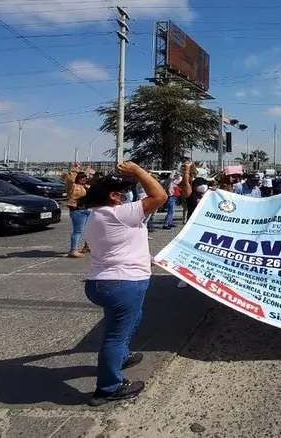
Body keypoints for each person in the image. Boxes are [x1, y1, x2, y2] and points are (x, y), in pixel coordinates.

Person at [80, 162, 167, 406]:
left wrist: (144, 257)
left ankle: (122, 356)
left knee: (131, 319)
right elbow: (160, 195)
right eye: (121, 192)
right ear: (113, 197)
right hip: (123, 284)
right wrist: (139, 171)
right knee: (115, 337)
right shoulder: (118, 213)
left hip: (103, 283)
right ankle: (109, 387)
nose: (126, 195)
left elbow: (116, 246)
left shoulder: (96, 217)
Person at [64, 165, 91, 258]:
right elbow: (70, 180)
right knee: (78, 230)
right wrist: (75, 170)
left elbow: (97, 184)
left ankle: (87, 247)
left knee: (89, 229)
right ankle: (73, 250)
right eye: (81, 177)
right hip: (77, 210)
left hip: (88, 209)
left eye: (85, 177)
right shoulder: (73, 186)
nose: (84, 179)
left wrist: (94, 174)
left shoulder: (87, 186)